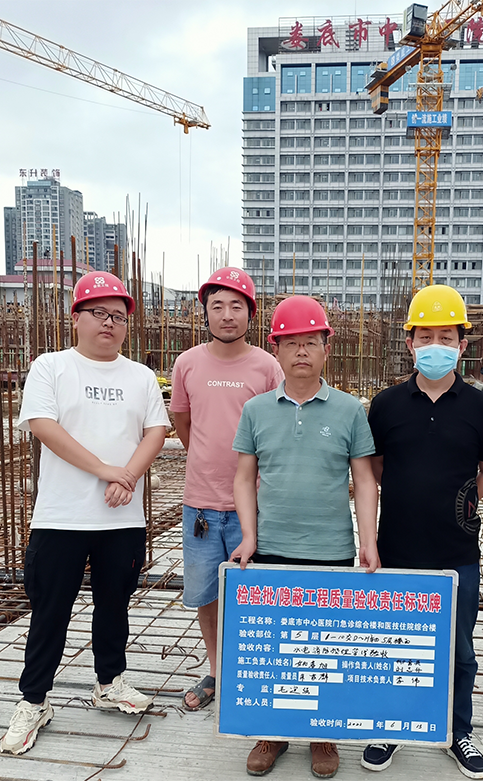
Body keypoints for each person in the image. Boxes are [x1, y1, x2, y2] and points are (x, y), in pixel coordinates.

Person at [0, 271, 170, 755]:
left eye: (119, 316)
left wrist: (128, 476)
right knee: (50, 611)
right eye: (99, 313)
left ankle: (109, 681)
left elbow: (156, 432)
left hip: (122, 519)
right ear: (75, 318)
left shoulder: (140, 376)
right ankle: (34, 700)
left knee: (114, 605)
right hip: (62, 517)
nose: (109, 323)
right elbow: (43, 425)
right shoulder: (52, 367)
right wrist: (105, 470)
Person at [229, 295, 379, 779]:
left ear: (326, 349)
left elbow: (365, 480)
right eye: (291, 343)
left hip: (330, 548)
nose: (300, 352)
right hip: (273, 547)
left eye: (310, 342)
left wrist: (368, 540)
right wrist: (249, 535)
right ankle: (273, 732)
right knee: (276, 647)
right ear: (275, 349)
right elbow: (243, 478)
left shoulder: (350, 410)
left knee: (324, 647)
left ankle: (323, 735)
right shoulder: (256, 410)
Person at [362, 285, 483, 780]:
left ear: (462, 345)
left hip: (456, 551)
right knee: (392, 645)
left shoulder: (480, 407)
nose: (435, 346)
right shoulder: (386, 405)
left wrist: (466, 500)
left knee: (459, 649)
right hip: (398, 548)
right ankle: (390, 725)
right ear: (410, 343)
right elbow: (375, 465)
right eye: (426, 337)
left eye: (446, 337)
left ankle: (457, 730)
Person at [170, 267, 283, 710]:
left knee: (253, 594)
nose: (227, 315)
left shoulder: (267, 366)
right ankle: (218, 670)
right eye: (217, 306)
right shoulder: (188, 363)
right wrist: (207, 457)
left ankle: (250, 671)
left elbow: (277, 428)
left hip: (252, 506)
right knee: (206, 594)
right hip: (199, 505)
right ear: (205, 313)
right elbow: (184, 423)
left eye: (237, 305)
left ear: (251, 314)